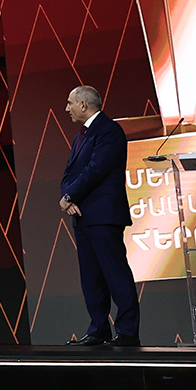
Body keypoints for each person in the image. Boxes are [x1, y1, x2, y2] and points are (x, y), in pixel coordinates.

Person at [58, 85, 139, 346]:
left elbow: (97, 169)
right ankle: (98, 329)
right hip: (83, 216)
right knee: (91, 278)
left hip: (104, 215)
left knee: (115, 273)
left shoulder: (109, 130)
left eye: (70, 103)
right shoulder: (79, 136)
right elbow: (70, 172)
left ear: (84, 104)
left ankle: (127, 332)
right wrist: (68, 198)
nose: (67, 108)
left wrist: (70, 196)